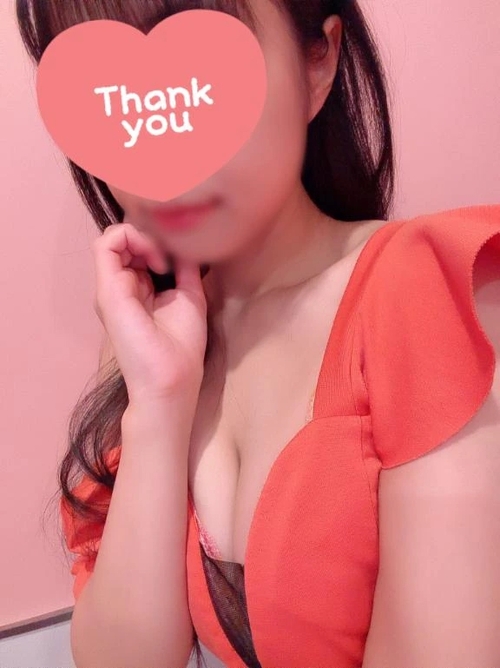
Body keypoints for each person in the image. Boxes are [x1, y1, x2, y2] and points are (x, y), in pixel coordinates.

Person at [16, 0, 500, 667]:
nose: (164, 132)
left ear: (318, 61)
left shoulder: (431, 294)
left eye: (201, 74)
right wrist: (159, 404)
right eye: (112, 94)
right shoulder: (148, 339)